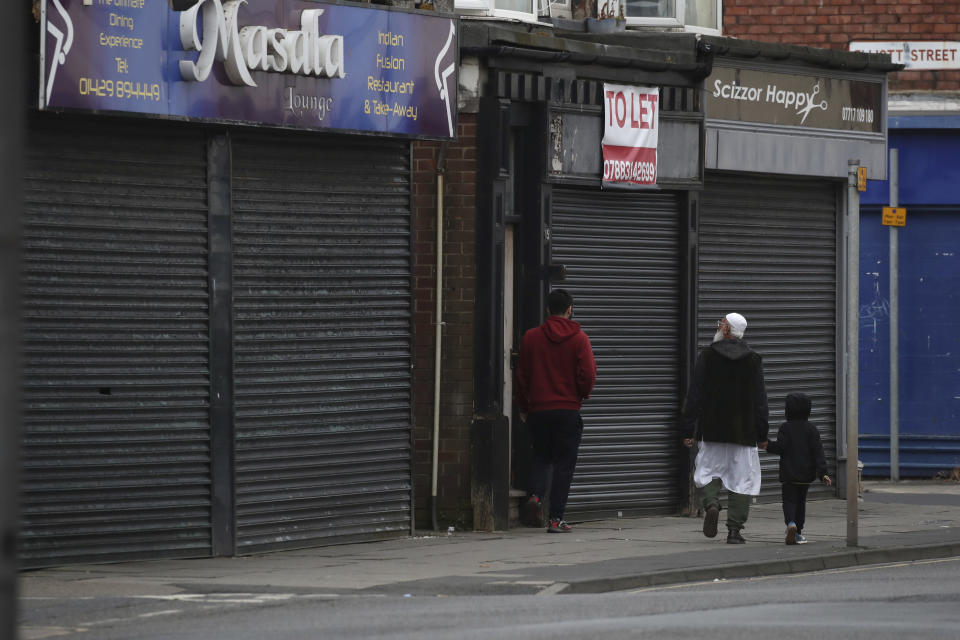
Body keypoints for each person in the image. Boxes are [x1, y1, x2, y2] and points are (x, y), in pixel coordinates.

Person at [681, 312, 769, 544]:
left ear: (728, 330)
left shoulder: (708, 356)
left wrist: (687, 429)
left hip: (712, 429)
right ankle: (734, 531)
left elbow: (695, 395)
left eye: (721, 323)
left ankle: (711, 504)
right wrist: (762, 434)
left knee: (706, 472)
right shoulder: (753, 360)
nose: (718, 326)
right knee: (741, 480)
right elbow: (761, 401)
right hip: (744, 431)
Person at [517, 289, 597, 533]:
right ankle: (555, 519)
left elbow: (522, 376)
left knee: (540, 456)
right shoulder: (579, 339)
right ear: (570, 309)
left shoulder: (531, 337)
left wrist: (524, 406)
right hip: (567, 410)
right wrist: (581, 394)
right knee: (564, 464)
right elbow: (589, 374)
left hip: (539, 410)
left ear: (548, 309)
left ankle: (535, 496)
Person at [766, 392, 831, 545]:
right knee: (801, 503)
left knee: (789, 501)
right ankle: (798, 532)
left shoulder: (785, 428)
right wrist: (823, 474)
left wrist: (767, 445)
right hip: (806, 476)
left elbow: (780, 448)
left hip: (789, 474)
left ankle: (791, 524)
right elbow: (818, 452)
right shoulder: (812, 429)